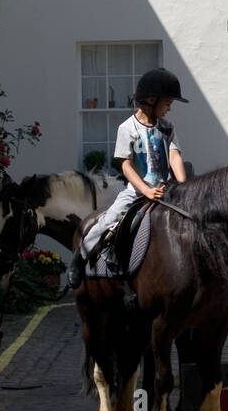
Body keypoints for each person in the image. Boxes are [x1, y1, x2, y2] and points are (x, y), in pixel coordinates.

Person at [69, 67, 188, 288]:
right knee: (110, 218)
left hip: (168, 189)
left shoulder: (167, 127)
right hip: (137, 190)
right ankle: (80, 257)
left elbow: (174, 156)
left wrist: (183, 186)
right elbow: (126, 165)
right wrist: (145, 190)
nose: (170, 108)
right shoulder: (127, 128)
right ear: (151, 100)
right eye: (168, 103)